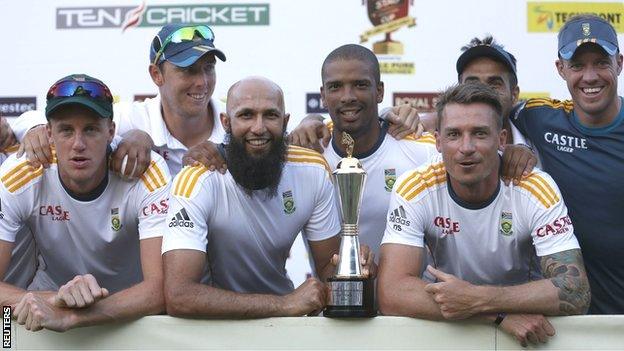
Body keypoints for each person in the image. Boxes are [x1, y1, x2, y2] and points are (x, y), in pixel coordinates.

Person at [378, 83, 589, 347]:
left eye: (479, 133)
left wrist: (477, 299)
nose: (466, 147)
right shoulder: (415, 187)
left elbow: (575, 290)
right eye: (454, 134)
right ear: (438, 141)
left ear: (501, 140)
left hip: (527, 337)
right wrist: (493, 313)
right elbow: (391, 292)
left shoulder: (535, 187)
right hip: (458, 331)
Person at [162, 76, 374, 318]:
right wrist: (284, 305)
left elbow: (329, 267)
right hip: (212, 325)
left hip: (282, 326)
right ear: (226, 122)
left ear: (285, 122)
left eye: (270, 115)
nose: (259, 128)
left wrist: (354, 267)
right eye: (246, 115)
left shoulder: (312, 170)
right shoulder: (197, 180)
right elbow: (180, 296)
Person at [0, 74, 171, 332]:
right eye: (66, 130)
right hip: (48, 305)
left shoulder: (147, 171)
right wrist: (55, 301)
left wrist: (74, 317)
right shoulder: (22, 173)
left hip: (130, 310)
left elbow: (160, 290)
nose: (78, 144)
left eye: (90, 129)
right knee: (5, 338)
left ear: (111, 131)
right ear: (49, 133)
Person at [511, 14, 624, 314]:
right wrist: (405, 116)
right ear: (561, 69)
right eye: (577, 65)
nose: (589, 77)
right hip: (573, 321)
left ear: (620, 64)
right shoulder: (540, 117)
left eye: (601, 63)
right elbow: (478, 109)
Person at [10, 23, 228, 177]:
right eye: (188, 70)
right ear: (156, 75)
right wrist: (37, 129)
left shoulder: (237, 123)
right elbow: (26, 121)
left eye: (208, 68)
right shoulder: (133, 118)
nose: (202, 82)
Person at [311, 44, 438, 262]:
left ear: (379, 91)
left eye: (360, 85)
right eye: (335, 87)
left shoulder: (423, 151)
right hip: (334, 295)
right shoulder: (310, 155)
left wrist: (517, 151)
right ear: (323, 95)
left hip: (410, 294)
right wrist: (308, 121)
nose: (347, 96)